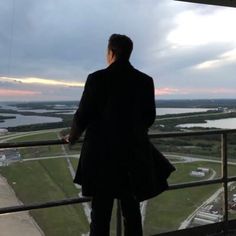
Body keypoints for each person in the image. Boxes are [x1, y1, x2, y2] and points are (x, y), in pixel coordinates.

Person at [64, 34, 175, 236]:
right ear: (129, 53)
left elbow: (83, 115)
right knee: (132, 213)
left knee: (100, 215)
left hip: (102, 158)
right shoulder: (145, 81)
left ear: (111, 53)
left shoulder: (97, 78)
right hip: (133, 156)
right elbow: (149, 118)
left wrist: (72, 137)